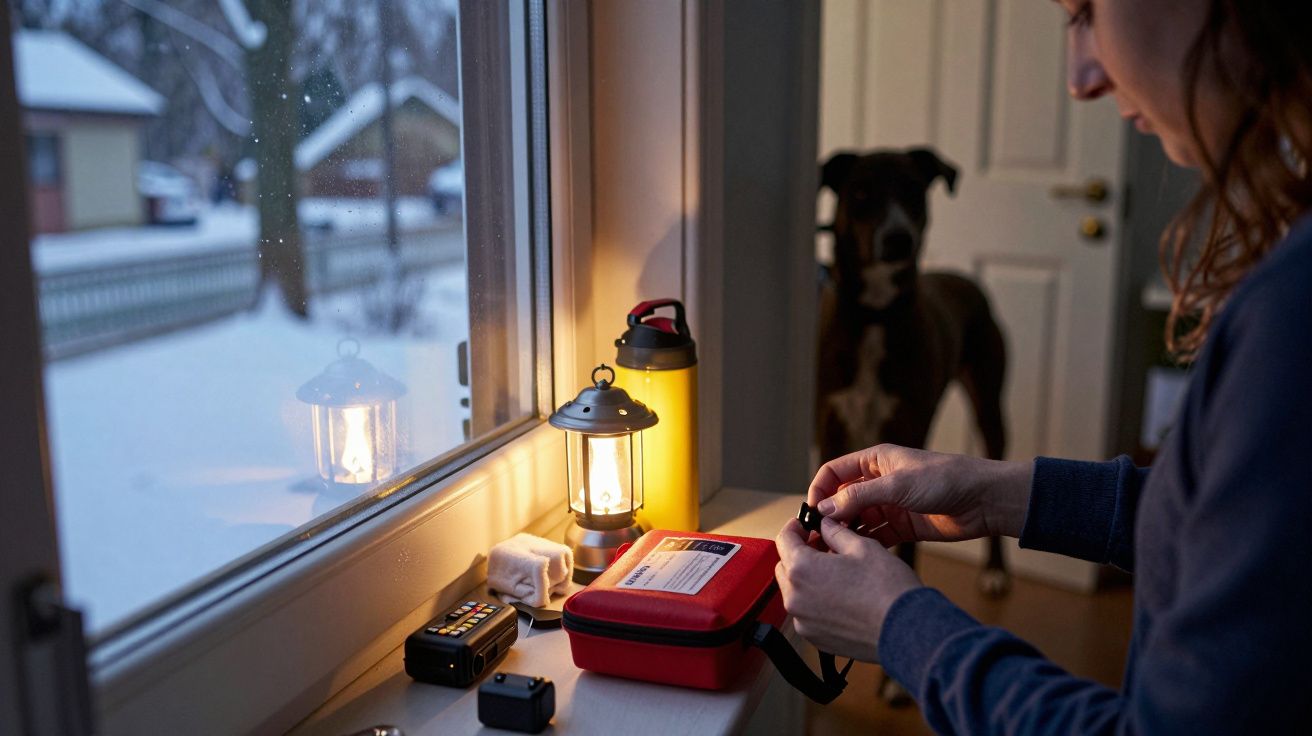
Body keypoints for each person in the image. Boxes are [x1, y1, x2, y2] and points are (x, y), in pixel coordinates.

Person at [776, 0, 1312, 732]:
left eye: (1087, 10)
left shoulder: (1291, 315)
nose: (1080, 76)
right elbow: (1217, 519)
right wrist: (998, 492)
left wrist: (898, 624)